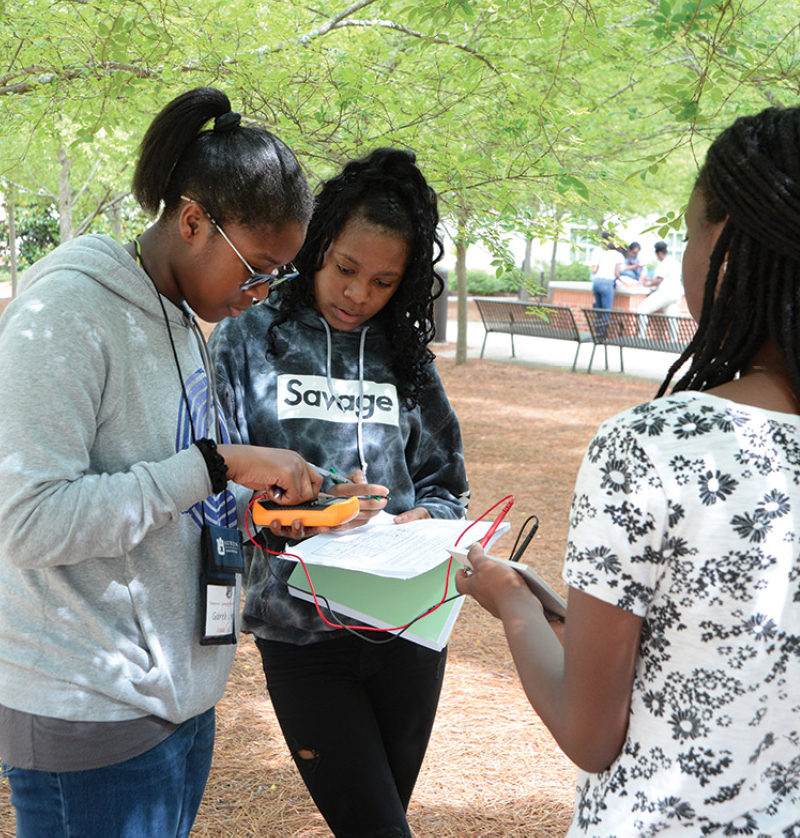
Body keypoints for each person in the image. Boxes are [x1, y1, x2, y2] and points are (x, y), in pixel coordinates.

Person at [456, 102, 800, 836]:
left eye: (687, 234)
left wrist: (515, 604)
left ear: (731, 250)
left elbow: (591, 735)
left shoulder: (653, 445)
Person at [0, 87, 321, 838]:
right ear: (191, 222)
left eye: (278, 276)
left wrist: (257, 512)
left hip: (174, 698)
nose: (262, 293)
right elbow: (27, 522)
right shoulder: (67, 314)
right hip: (90, 708)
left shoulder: (181, 316)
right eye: (257, 268)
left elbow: (166, 488)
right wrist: (217, 466)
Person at [210, 147, 469, 838]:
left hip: (409, 625)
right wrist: (277, 521)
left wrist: (424, 517)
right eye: (346, 270)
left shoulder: (403, 357)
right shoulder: (247, 339)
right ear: (317, 247)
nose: (359, 294)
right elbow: (212, 479)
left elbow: (448, 484)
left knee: (379, 822)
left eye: (384, 282)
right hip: (301, 631)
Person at [637, 239, 683, 315]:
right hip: (677, 293)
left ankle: (642, 327)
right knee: (671, 317)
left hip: (666, 292)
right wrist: (650, 279)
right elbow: (668, 278)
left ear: (660, 253)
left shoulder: (663, 263)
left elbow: (658, 281)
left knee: (642, 310)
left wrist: (646, 285)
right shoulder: (675, 262)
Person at [589, 234, 625, 309]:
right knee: (606, 309)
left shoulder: (598, 252)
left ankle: (597, 320)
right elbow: (617, 274)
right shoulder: (618, 255)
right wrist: (622, 281)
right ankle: (605, 320)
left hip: (596, 281)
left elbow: (594, 270)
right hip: (607, 282)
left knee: (598, 309)